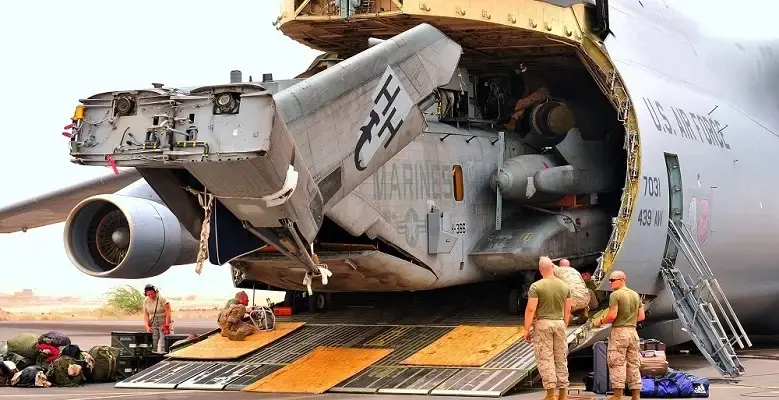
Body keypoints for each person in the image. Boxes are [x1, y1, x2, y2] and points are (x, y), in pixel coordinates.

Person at [524, 256, 573, 400]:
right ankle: (563, 393)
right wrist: (564, 323)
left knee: (546, 358)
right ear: (552, 268)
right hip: (559, 323)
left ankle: (551, 394)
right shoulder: (564, 286)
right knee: (561, 358)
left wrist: (526, 329)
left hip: (543, 324)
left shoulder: (536, 286)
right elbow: (568, 310)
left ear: (540, 270)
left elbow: (531, 309)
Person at [593, 270, 645, 400]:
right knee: (633, 363)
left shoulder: (615, 295)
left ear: (622, 280)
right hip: (633, 333)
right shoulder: (635, 295)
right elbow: (641, 316)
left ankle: (617, 395)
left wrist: (600, 321)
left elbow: (612, 316)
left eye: (613, 280)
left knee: (616, 362)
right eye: (609, 280)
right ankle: (636, 394)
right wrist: (630, 320)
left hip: (619, 332)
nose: (610, 283)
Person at [143, 284, 171, 354]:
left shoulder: (162, 299)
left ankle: (164, 356)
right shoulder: (146, 301)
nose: (150, 296)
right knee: (153, 340)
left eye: (152, 294)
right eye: (148, 294)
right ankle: (153, 356)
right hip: (153, 322)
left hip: (163, 321)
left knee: (163, 341)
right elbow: (146, 314)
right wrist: (147, 326)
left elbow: (168, 312)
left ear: (155, 291)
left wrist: (167, 325)